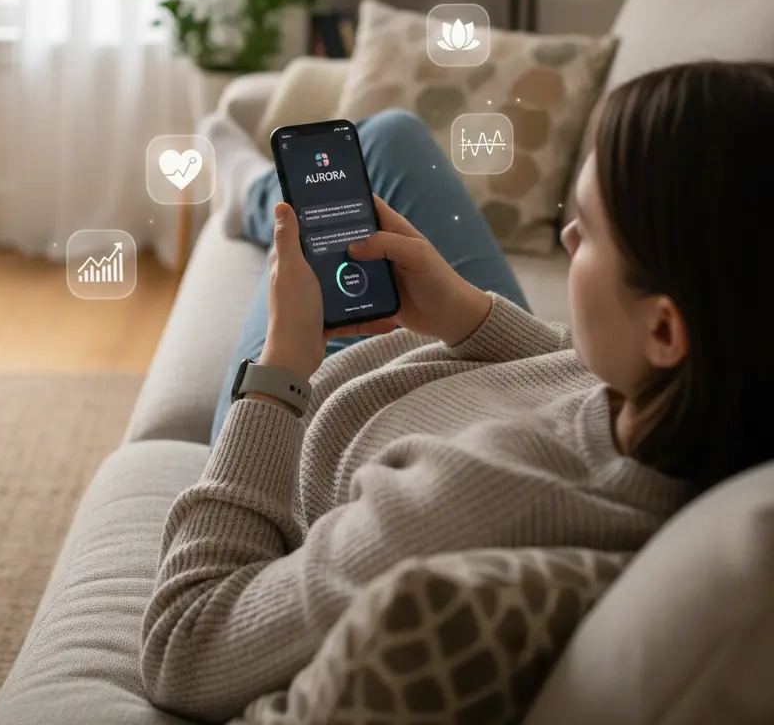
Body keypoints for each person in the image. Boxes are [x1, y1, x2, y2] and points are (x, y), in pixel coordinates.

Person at [140, 61, 774, 722]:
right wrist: (468, 315)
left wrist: (281, 365)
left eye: (586, 232)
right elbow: (591, 390)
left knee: (309, 217)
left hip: (300, 417)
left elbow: (185, 649)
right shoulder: (706, 401)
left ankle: (247, 191)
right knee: (389, 139)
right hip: (446, 360)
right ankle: (254, 189)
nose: (565, 237)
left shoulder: (465, 506)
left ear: (666, 329)